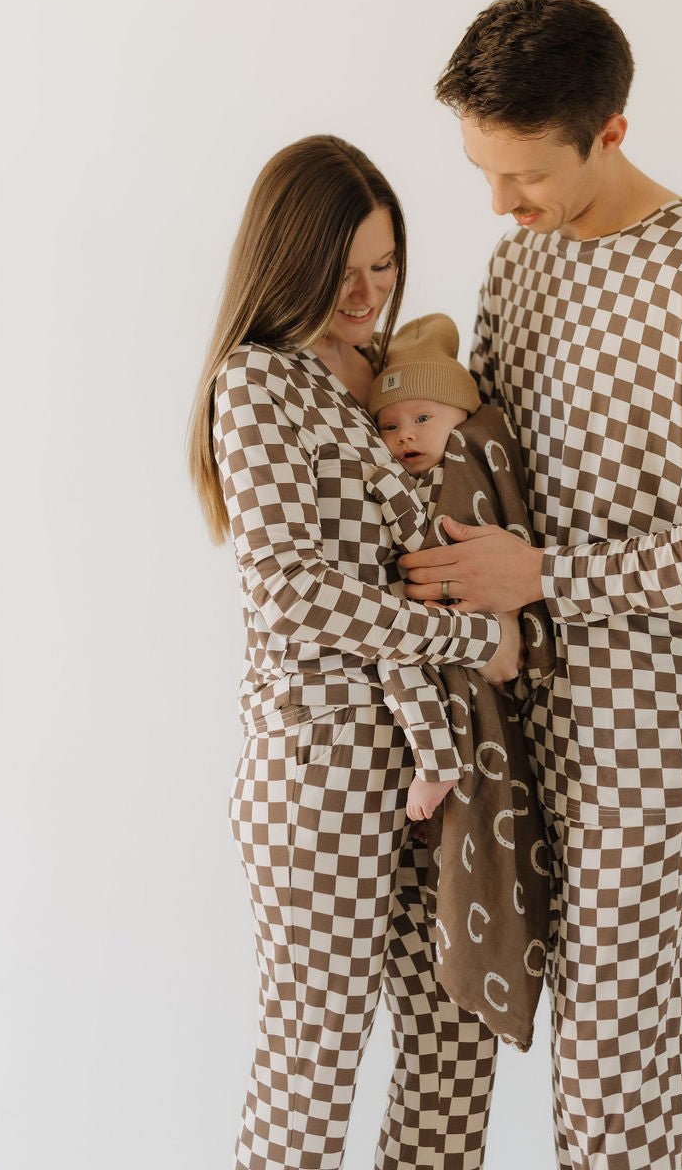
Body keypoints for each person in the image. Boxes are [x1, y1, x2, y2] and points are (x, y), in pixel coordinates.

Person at [399, 0, 682, 1168]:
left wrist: (545, 576)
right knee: (473, 1011)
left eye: (524, 174)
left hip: (647, 721)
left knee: (620, 1053)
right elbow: (485, 464)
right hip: (508, 706)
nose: (499, 202)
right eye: (482, 170)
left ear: (610, 131)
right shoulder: (516, 266)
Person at [188, 135, 522, 1170]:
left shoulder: (395, 376)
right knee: (313, 1067)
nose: (368, 294)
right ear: (287, 260)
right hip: (321, 764)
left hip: (444, 758)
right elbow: (290, 592)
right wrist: (472, 634)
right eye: (343, 272)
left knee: (455, 1054)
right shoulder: (258, 382)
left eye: (385, 266)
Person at [367, 311, 555, 1050]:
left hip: (459, 677)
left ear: (460, 418)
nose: (405, 435)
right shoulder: (396, 498)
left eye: (423, 417)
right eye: (389, 425)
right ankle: (438, 758)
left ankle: (439, 760)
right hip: (423, 666)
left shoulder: (471, 477)